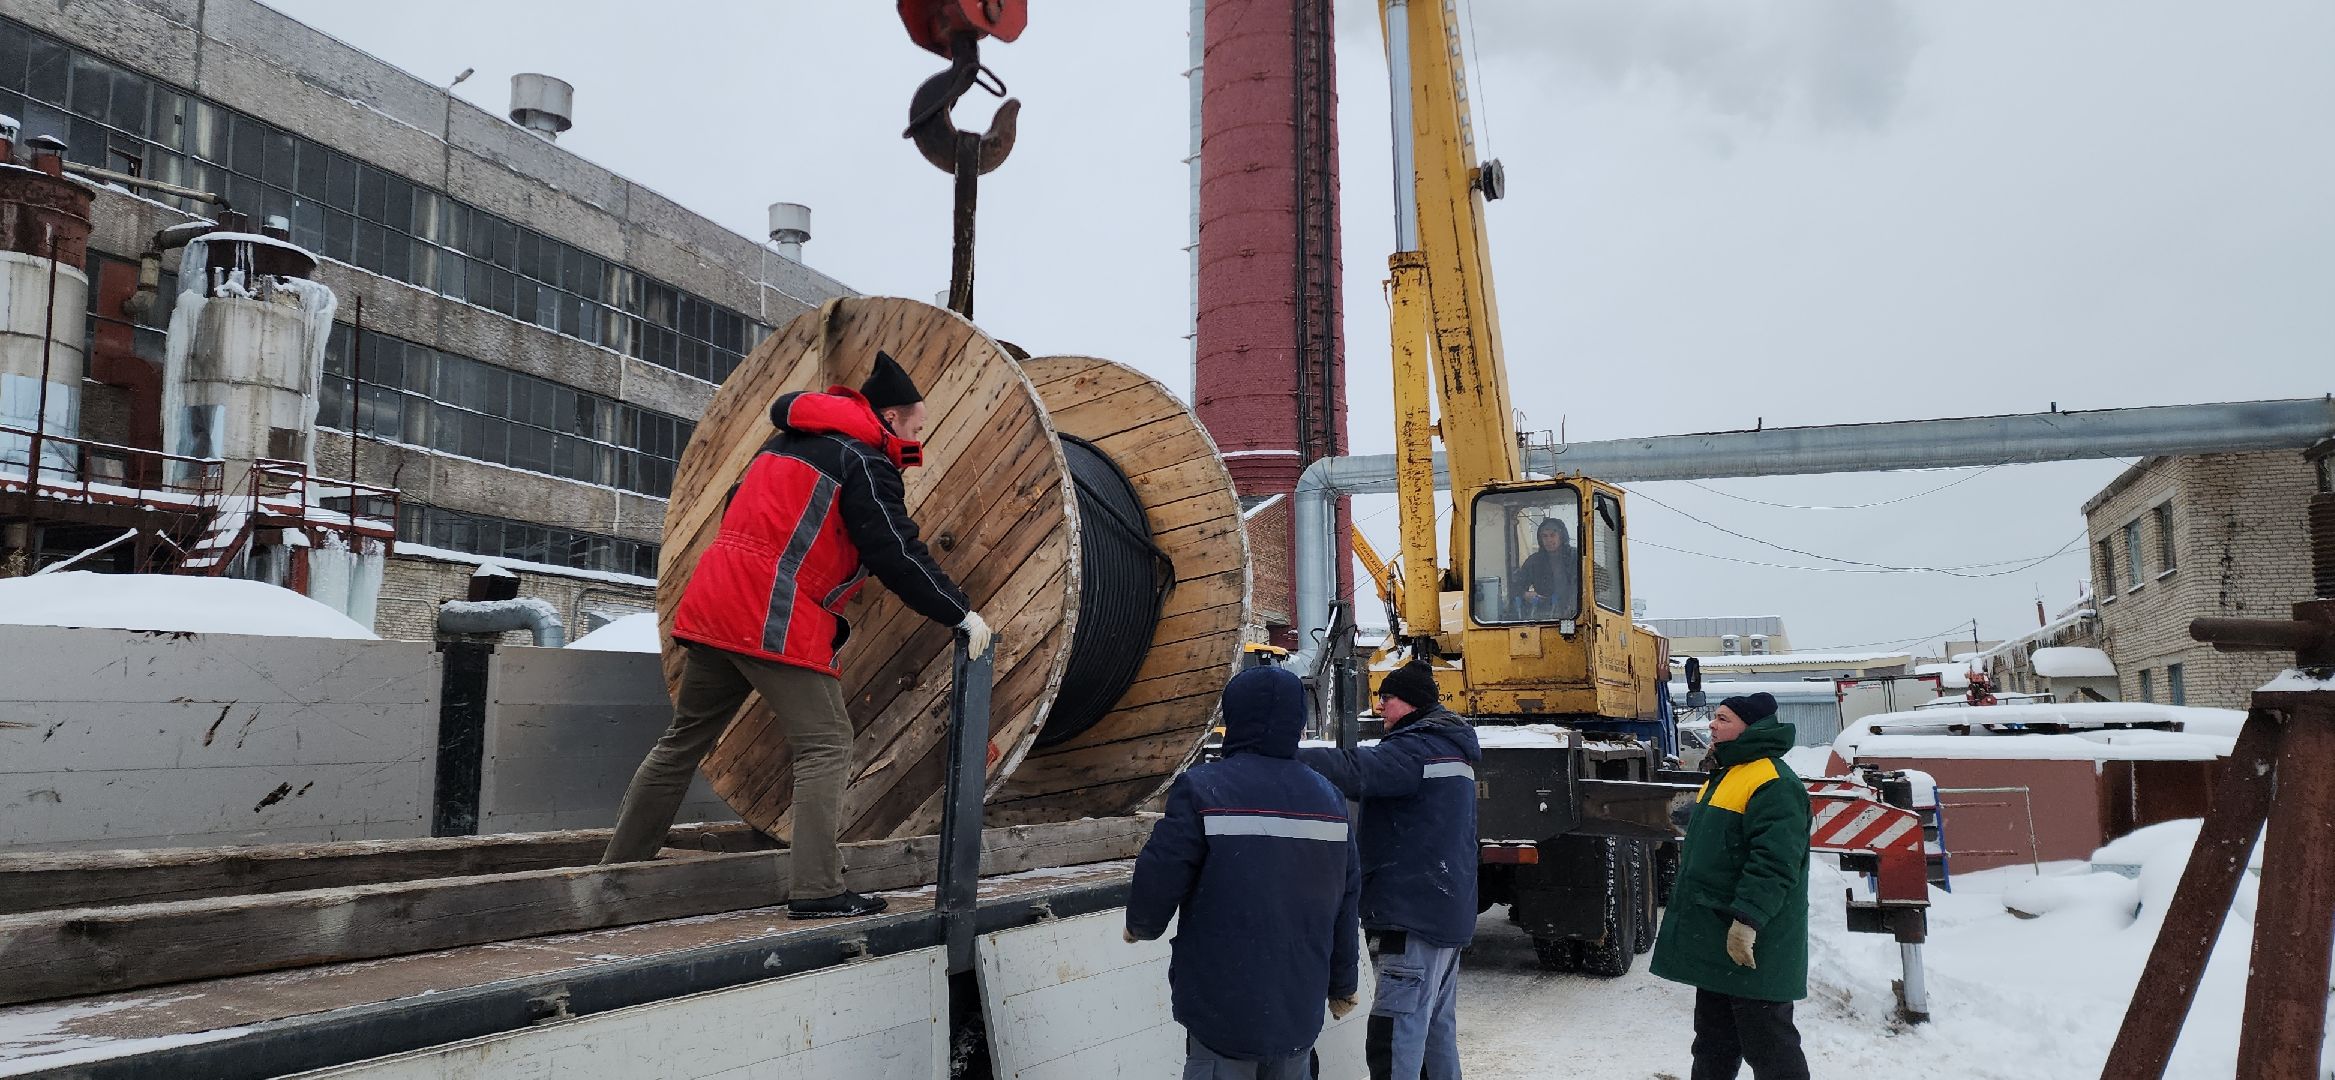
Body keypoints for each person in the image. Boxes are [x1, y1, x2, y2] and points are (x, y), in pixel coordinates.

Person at [601, 351, 993, 920]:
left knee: (683, 740)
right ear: (888, 417)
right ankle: (816, 890)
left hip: (714, 602)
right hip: (770, 613)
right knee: (826, 742)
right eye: (916, 427)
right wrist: (959, 613)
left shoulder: (781, 444)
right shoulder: (861, 459)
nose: (918, 439)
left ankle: (616, 873)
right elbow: (894, 549)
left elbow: (748, 516)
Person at [1125, 665, 1363, 1079]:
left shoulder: (1204, 788)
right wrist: (1343, 984)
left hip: (1223, 1008)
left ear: (1234, 718)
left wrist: (1142, 924)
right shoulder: (1329, 799)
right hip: (1297, 1007)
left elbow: (1162, 867)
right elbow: (1346, 900)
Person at [1298, 659, 1480, 1080]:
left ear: (1412, 704)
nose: (1379, 706)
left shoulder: (1415, 749)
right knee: (1435, 1034)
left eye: (1388, 697)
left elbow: (1354, 771)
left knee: (1395, 1035)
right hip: (1445, 913)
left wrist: (1285, 757)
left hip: (1413, 913)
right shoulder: (1450, 745)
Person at [1650, 692, 1812, 1080]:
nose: (1712, 724)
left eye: (1723, 719)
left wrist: (1748, 921)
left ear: (1751, 727)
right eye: (1715, 718)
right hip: (1718, 936)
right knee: (1713, 1043)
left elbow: (1774, 863)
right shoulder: (1727, 774)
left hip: (1755, 940)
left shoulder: (1773, 782)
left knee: (1769, 1045)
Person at [1512, 517, 1578, 620]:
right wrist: (1525, 594)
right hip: (1546, 617)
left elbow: (1603, 579)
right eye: (1545, 536)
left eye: (1552, 535)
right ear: (1540, 539)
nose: (1549, 540)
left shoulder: (1576, 557)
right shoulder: (1534, 561)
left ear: (1561, 536)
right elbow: (1515, 586)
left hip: (1576, 615)